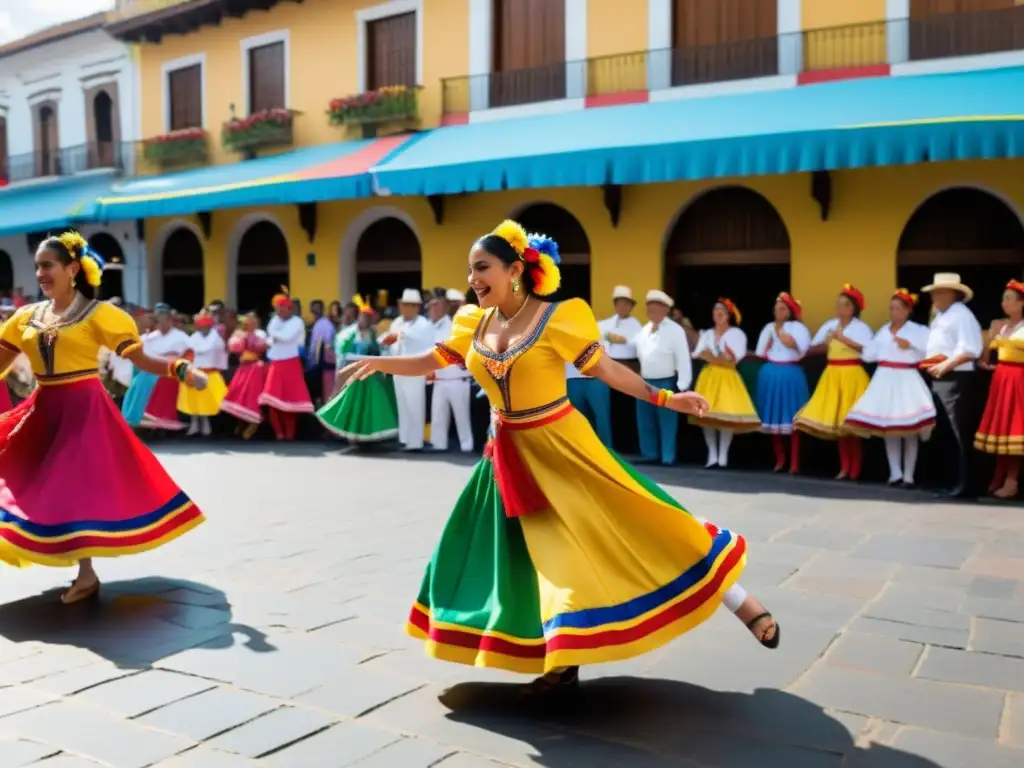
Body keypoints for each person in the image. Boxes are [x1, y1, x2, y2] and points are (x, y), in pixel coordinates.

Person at [341, 220, 779, 692]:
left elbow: (608, 369)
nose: (473, 279)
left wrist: (667, 399)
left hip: (562, 446)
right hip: (506, 457)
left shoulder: (559, 317)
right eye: (469, 270)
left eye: (482, 268)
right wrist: (377, 364)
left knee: (641, 523)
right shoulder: (474, 321)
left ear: (514, 270)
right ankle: (561, 659)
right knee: (528, 556)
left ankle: (738, 600)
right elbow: (433, 360)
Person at [0, 231, 207, 603]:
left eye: (48, 266)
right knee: (19, 473)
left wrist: (179, 369)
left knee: (73, 487)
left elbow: (141, 360)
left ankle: (86, 573)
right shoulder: (25, 317)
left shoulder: (100, 315)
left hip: (85, 412)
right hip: (44, 409)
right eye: (37, 267)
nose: (41, 274)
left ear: (73, 268)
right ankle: (81, 569)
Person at [844, 289, 935, 487]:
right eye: (891, 308)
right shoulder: (883, 331)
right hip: (885, 378)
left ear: (907, 310)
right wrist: (848, 342)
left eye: (897, 308)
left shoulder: (918, 331)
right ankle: (895, 472)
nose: (893, 312)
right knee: (889, 427)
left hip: (907, 378)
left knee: (910, 428)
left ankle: (909, 475)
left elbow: (930, 353)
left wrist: (910, 346)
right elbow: (869, 355)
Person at [794, 285, 873, 481]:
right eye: (838, 304)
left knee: (851, 425)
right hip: (832, 374)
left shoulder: (862, 328)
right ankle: (844, 467)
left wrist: (843, 339)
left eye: (845, 304)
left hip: (852, 375)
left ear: (854, 308)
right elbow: (814, 348)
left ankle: (856, 468)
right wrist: (826, 343)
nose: (840, 308)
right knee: (838, 424)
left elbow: (869, 351)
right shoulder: (830, 325)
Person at [922, 273, 984, 498]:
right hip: (942, 377)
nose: (934, 296)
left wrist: (946, 365)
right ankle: (951, 482)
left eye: (939, 292)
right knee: (946, 432)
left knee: (960, 434)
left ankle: (966, 485)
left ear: (953, 294)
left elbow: (970, 350)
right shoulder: (941, 316)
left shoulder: (961, 316)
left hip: (956, 379)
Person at [691, 298, 760, 468]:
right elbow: (698, 353)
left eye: (722, 311)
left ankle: (723, 455)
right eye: (715, 311)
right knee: (706, 416)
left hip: (728, 376)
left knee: (726, 414)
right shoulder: (707, 334)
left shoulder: (737, 334)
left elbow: (734, 358)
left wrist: (716, 357)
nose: (718, 314)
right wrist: (711, 356)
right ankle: (712, 454)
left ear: (728, 315)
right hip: (709, 376)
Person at [318, 296, 398, 443]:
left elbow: (380, 351)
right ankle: (352, 438)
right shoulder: (349, 334)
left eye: (368, 317)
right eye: (363, 317)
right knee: (353, 406)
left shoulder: (375, 334)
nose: (365, 320)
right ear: (359, 317)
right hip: (354, 376)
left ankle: (369, 437)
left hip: (370, 376)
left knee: (370, 407)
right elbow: (342, 352)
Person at [973, 279, 1024, 499]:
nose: (1005, 303)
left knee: (1015, 429)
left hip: (1019, 379)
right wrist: (986, 357)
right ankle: (999, 475)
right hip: (1001, 378)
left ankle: (1012, 480)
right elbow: (985, 356)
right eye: (1003, 298)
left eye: (1010, 299)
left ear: (1021, 303)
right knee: (1002, 428)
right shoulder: (1001, 325)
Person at [754, 292, 811, 473]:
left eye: (782, 309)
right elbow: (760, 352)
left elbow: (797, 347)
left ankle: (794, 462)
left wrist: (780, 331)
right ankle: (780, 459)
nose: (778, 312)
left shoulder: (798, 328)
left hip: (791, 373)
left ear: (789, 311)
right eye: (776, 309)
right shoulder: (768, 328)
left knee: (792, 418)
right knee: (774, 416)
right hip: (771, 372)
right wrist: (771, 338)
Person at [635, 290, 692, 465]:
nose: (650, 310)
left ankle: (668, 457)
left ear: (665, 309)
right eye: (648, 307)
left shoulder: (675, 330)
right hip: (645, 381)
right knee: (645, 420)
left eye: (655, 307)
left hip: (666, 381)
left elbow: (683, 357)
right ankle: (649, 454)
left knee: (667, 421)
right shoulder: (644, 329)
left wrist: (683, 385)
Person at [380, 289, 434, 452]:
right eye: (403, 305)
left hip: (414, 369)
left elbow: (416, 339)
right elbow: (388, 339)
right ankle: (404, 438)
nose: (406, 308)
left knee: (414, 405)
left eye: (410, 305)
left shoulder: (424, 324)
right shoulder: (397, 322)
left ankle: (416, 441)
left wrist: (398, 336)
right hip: (398, 368)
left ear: (417, 307)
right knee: (402, 404)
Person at [259, 289, 313, 441]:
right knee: (272, 400)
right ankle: (279, 433)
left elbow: (285, 337)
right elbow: (271, 339)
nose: (278, 312)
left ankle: (289, 433)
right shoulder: (275, 320)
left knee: (290, 401)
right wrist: (273, 338)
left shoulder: (297, 322)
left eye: (281, 308)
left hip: (291, 362)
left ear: (289, 309)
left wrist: (273, 336)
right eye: (277, 309)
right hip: (275, 363)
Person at [427, 293, 473, 453]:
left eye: (437, 305)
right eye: (432, 306)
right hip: (440, 379)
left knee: (462, 417)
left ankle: (467, 447)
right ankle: (439, 445)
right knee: (438, 416)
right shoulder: (433, 326)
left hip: (457, 379)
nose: (433, 309)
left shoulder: (457, 324)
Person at [140, 305, 191, 434]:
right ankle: (154, 425)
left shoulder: (181, 336)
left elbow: (190, 353)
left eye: (164, 320)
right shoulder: (150, 337)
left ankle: (168, 426)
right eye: (159, 320)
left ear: (169, 320)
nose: (162, 323)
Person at [179, 311, 229, 437]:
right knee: (194, 400)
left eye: (205, 326)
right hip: (195, 372)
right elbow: (188, 352)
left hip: (209, 373)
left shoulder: (216, 338)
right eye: (200, 327)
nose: (202, 329)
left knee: (207, 401)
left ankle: (206, 424)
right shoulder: (193, 338)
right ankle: (194, 423)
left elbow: (220, 353)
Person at [220, 313, 268, 439]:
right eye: (247, 322)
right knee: (238, 393)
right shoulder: (239, 334)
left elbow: (263, 346)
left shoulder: (260, 334)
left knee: (252, 394)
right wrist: (242, 338)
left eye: (252, 322)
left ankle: (253, 423)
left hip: (256, 368)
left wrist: (252, 341)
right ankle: (241, 423)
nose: (249, 324)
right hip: (244, 368)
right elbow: (233, 348)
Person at [307, 299, 337, 406]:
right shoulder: (314, 324)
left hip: (321, 365)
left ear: (322, 309)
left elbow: (328, 345)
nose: (315, 311)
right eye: (314, 308)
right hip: (313, 364)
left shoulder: (326, 324)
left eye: (318, 308)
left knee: (321, 394)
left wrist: (315, 362)